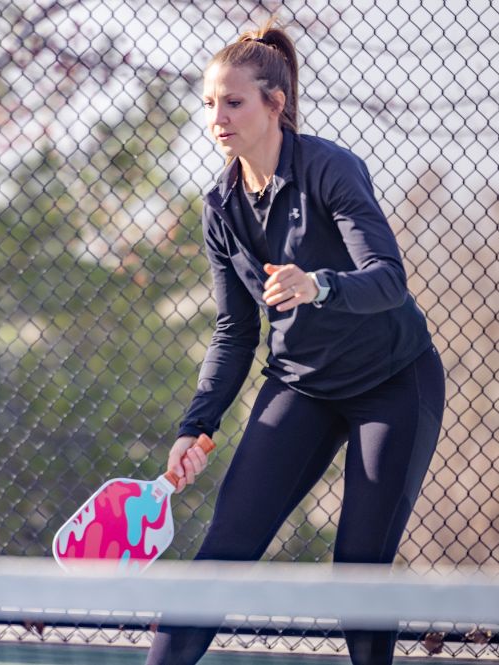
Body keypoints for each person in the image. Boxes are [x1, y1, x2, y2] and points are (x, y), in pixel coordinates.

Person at [146, 19, 445, 665]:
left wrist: (320, 286)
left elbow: (388, 280)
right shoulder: (220, 205)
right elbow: (235, 329)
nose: (217, 117)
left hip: (393, 381)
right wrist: (196, 424)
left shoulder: (332, 168)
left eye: (233, 101)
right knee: (220, 553)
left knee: (358, 575)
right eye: (209, 104)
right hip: (301, 384)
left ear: (273, 104)